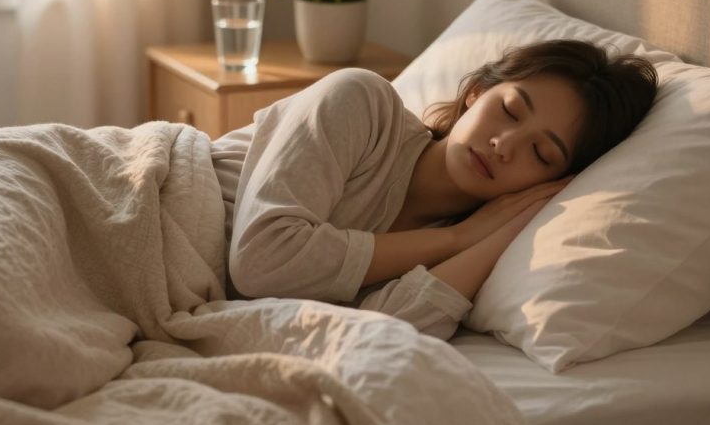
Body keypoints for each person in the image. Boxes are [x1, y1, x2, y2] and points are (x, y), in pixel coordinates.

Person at [210, 39, 658, 340]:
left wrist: (502, 231)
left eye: (541, 154)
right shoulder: (363, 105)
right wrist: (455, 240)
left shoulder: (476, 243)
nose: (504, 145)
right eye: (510, 110)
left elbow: (377, 335)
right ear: (476, 92)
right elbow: (261, 262)